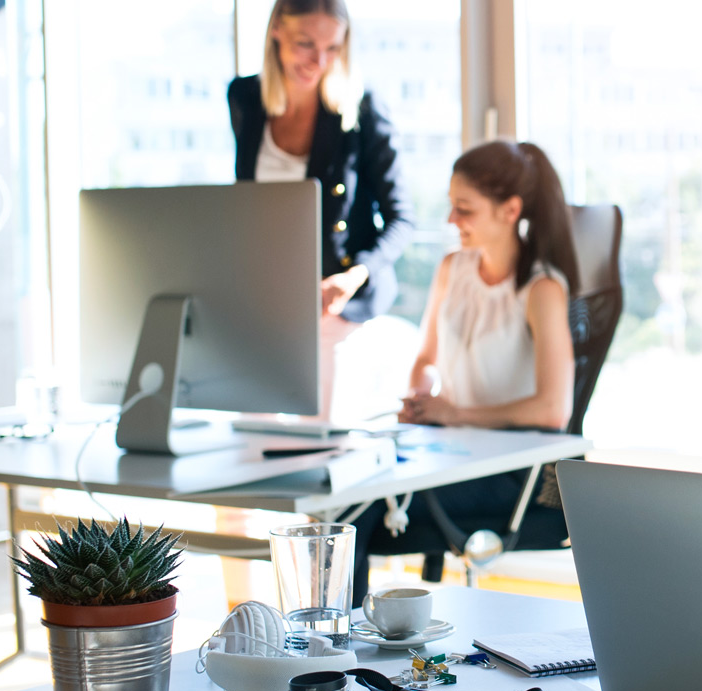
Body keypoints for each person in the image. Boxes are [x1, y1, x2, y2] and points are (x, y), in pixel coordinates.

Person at [349, 140, 579, 602]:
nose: (451, 221)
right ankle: (331, 647)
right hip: (449, 453)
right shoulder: (453, 268)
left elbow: (554, 409)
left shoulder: (541, 289)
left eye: (464, 209)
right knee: (345, 490)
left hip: (514, 471)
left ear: (509, 210)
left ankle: (332, 653)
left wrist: (456, 414)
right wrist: (420, 400)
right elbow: (425, 359)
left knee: (355, 515)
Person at [228, 0, 410, 420]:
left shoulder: (361, 110)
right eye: (305, 44)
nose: (320, 60)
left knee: (323, 444)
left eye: (333, 48)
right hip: (267, 298)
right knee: (251, 440)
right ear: (276, 30)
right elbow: (247, 204)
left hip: (337, 302)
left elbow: (402, 219)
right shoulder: (245, 98)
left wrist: (354, 275)